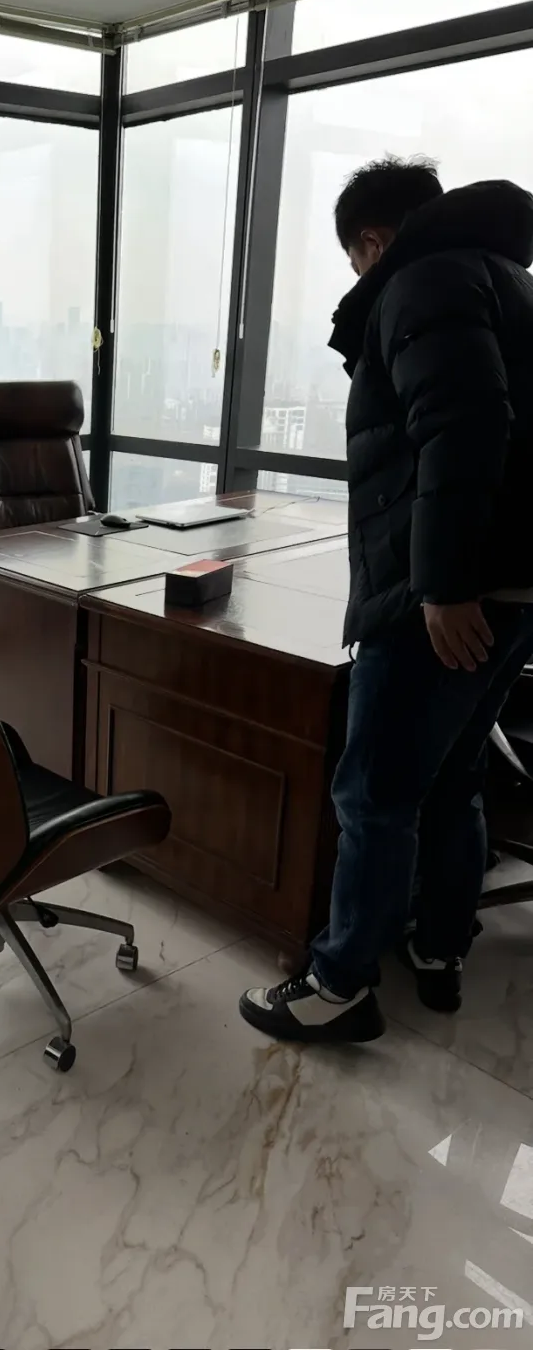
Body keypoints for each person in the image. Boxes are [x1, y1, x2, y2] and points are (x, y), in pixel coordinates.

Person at [240, 157, 533, 1043]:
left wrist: (441, 585)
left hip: (440, 595)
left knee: (374, 791)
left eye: (354, 261)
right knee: (451, 776)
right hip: (515, 590)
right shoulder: (505, 278)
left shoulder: (422, 280)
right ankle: (438, 946)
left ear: (372, 241)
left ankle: (339, 983)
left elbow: (462, 430)